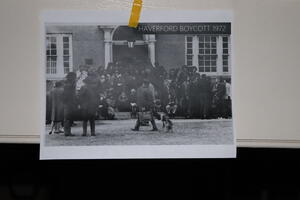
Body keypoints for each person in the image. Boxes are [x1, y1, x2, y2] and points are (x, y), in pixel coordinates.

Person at [63, 72, 77, 136]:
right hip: (69, 103)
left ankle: (67, 132)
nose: (75, 78)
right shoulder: (69, 85)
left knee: (68, 118)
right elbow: (68, 95)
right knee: (68, 118)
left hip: (69, 103)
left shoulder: (67, 84)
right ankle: (67, 132)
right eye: (74, 77)